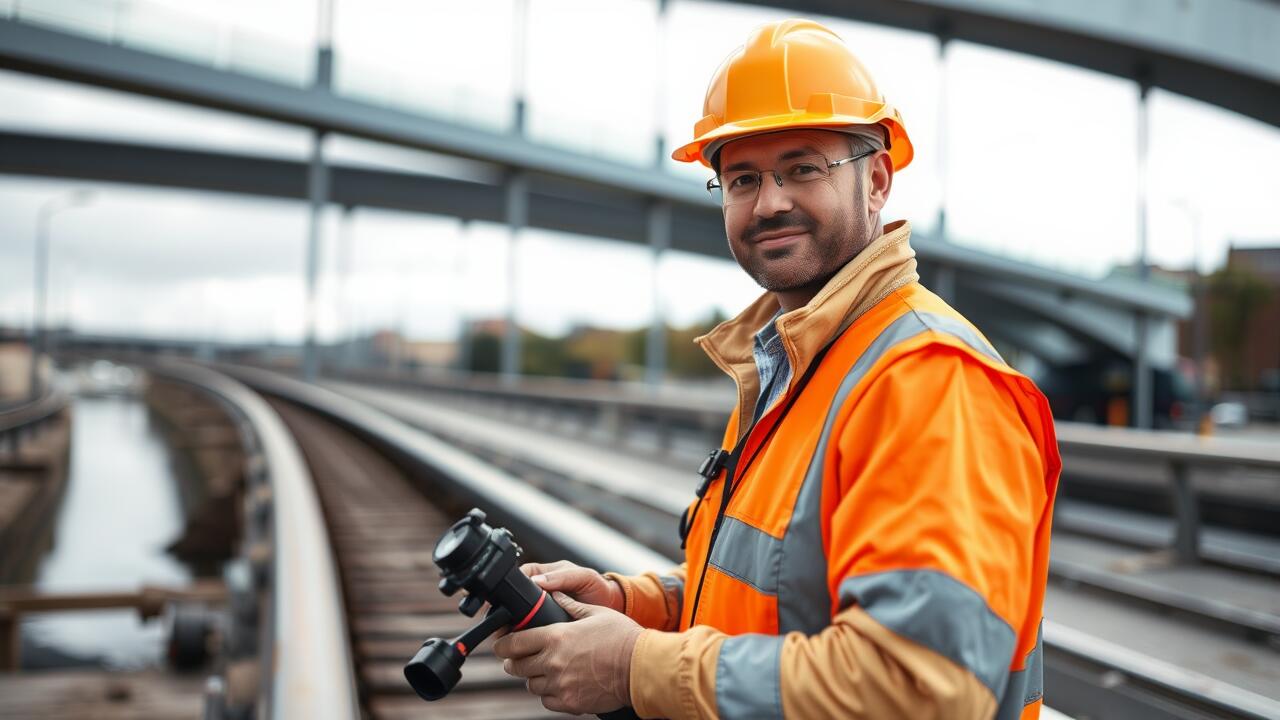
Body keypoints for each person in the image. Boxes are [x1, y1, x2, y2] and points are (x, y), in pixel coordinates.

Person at [493, 18, 1061, 719]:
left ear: (877, 179)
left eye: (803, 168)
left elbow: (920, 688)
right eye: (742, 178)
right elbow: (779, 592)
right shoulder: (798, 362)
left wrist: (636, 665)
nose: (770, 203)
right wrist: (633, 604)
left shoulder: (929, 382)